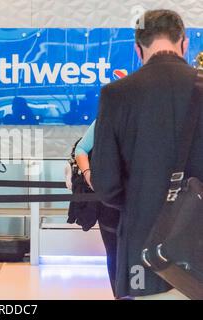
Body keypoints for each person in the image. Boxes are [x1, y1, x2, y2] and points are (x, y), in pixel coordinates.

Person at [91, 9, 200, 300]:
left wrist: (138, 203)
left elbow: (105, 184)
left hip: (146, 247)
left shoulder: (116, 94)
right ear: (184, 43)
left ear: (138, 48)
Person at [73, 119, 120, 296]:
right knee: (114, 252)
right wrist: (88, 175)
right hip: (110, 200)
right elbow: (81, 149)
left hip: (140, 200)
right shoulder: (106, 118)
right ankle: (119, 294)